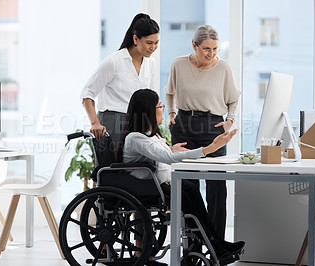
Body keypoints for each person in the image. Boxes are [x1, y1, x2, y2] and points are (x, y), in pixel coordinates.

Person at [118, 89, 244, 264]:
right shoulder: (135, 138)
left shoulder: (150, 136)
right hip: (148, 189)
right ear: (147, 111)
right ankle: (216, 245)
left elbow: (162, 153)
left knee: (191, 190)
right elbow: (168, 159)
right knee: (187, 194)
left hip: (159, 185)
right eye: (159, 106)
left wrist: (171, 149)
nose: (162, 109)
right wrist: (209, 149)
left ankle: (216, 242)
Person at [164, 25, 241, 240]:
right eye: (206, 49)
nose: (211, 54)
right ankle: (192, 244)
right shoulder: (179, 64)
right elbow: (169, 91)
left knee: (217, 187)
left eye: (215, 49)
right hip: (184, 125)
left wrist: (230, 120)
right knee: (189, 187)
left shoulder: (223, 68)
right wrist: (171, 114)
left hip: (212, 127)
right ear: (194, 46)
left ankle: (217, 243)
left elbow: (233, 98)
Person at [80, 13, 160, 154]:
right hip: (113, 122)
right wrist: (95, 123)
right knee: (112, 171)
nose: (153, 47)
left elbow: (151, 98)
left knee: (137, 171)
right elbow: (87, 93)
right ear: (135, 39)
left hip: (139, 124)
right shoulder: (114, 62)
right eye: (149, 43)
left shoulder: (151, 63)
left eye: (156, 42)